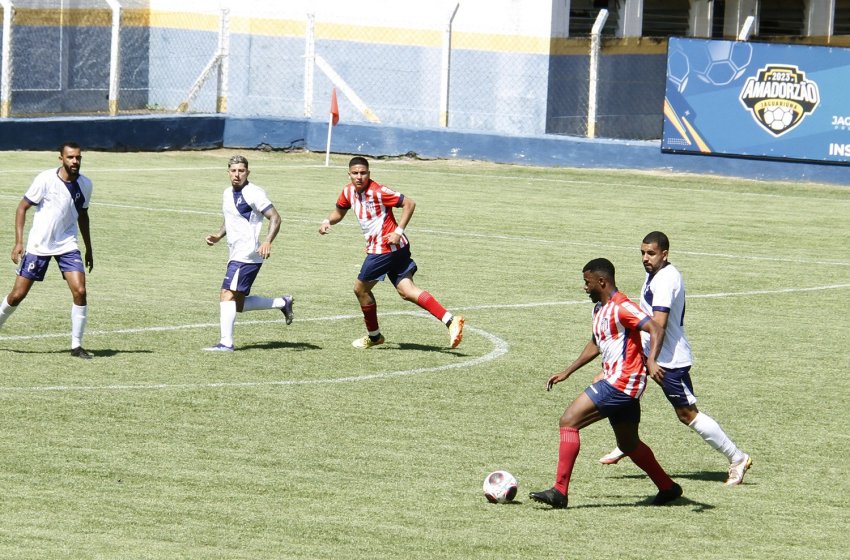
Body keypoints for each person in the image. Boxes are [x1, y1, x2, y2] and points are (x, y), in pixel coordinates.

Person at [597, 231, 752, 486]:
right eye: (643, 253)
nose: (645, 258)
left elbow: (659, 323)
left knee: (687, 414)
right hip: (650, 353)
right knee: (621, 388)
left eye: (651, 253)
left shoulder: (666, 279)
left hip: (669, 360)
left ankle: (737, 458)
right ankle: (627, 443)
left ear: (665, 254)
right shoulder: (654, 273)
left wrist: (652, 360)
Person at [529, 258, 682, 509]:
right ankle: (668, 488)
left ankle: (559, 491)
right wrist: (568, 371)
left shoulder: (623, 307)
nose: (585, 287)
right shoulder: (600, 308)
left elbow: (655, 327)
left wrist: (652, 361)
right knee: (628, 443)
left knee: (569, 421)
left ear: (602, 281)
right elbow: (595, 344)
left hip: (622, 381)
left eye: (587, 282)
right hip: (617, 380)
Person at [318, 156, 464, 349]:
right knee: (407, 291)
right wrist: (328, 221)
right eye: (355, 173)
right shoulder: (347, 192)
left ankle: (375, 336)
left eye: (363, 173)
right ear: (349, 174)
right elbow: (339, 212)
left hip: (384, 248)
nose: (359, 177)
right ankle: (450, 320)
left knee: (360, 289)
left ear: (369, 174)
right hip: (394, 249)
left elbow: (409, 204)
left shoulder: (378, 191)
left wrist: (397, 231)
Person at [0, 141, 94, 359]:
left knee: (80, 291)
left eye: (78, 157)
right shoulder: (45, 179)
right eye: (70, 157)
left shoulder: (86, 185)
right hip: (38, 244)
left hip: (67, 244)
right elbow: (22, 207)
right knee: (17, 295)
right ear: (60, 158)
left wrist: (89, 248)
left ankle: (76, 345)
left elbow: (83, 216)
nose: (75, 161)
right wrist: (18, 242)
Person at [203, 155, 294, 352]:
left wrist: (268, 241)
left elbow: (276, 218)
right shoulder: (227, 193)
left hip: (248, 255)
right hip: (235, 253)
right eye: (233, 171)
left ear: (248, 172)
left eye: (241, 171)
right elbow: (230, 218)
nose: (237, 174)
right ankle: (282, 302)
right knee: (238, 304)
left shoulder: (254, 193)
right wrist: (218, 235)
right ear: (228, 172)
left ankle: (226, 343)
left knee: (226, 294)